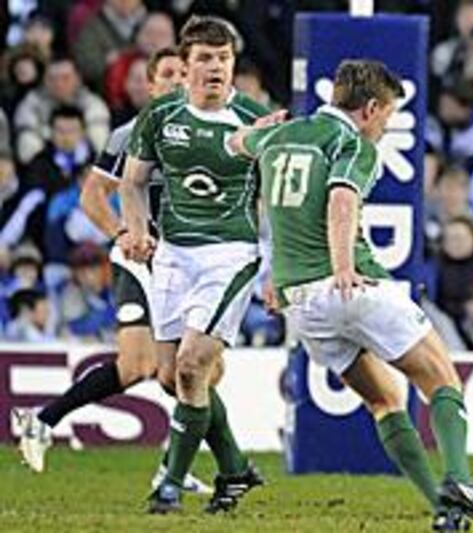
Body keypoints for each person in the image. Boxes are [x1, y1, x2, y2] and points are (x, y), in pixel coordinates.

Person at [229, 59, 473, 532]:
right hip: (352, 286)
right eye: (389, 116)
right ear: (371, 108)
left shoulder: (278, 137)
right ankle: (459, 479)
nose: (386, 126)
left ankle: (445, 512)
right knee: (442, 380)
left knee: (383, 402)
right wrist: (343, 267)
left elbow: (235, 143)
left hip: (303, 305)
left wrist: (256, 128)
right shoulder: (352, 144)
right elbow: (341, 199)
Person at [14, 46, 210, 494]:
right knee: (145, 364)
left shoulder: (206, 133)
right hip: (140, 265)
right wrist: (122, 233)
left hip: (187, 267)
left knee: (180, 371)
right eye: (169, 74)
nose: (180, 81)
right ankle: (184, 468)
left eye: (186, 72)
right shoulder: (130, 135)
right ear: (152, 84)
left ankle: (44, 420)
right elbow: (92, 195)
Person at [120, 17, 273, 514]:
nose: (215, 68)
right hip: (173, 255)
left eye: (223, 58)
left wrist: (277, 267)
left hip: (230, 254)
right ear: (183, 69)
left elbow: (276, 199)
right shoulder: (160, 115)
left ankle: (170, 482)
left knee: (191, 365)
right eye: (204, 59)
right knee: (173, 378)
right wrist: (138, 230)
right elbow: (133, 181)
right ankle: (234, 467)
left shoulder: (254, 118)